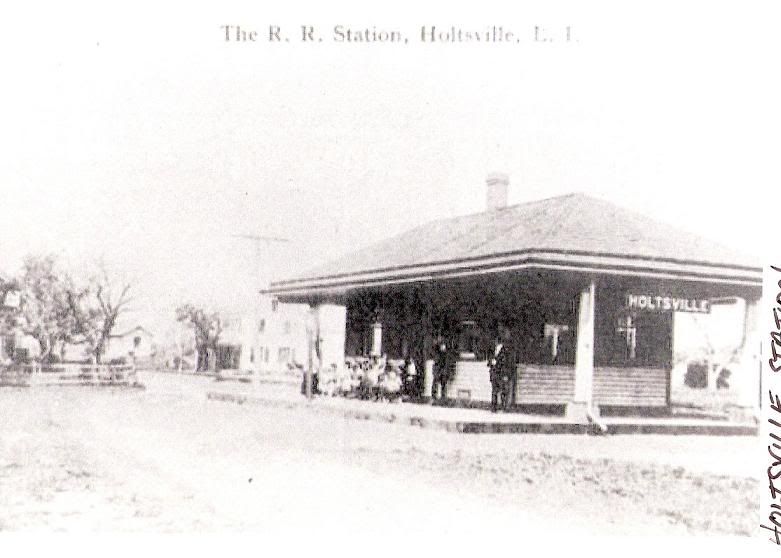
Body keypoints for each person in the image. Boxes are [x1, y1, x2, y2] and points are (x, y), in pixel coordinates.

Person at [488, 327, 515, 413]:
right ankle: (493, 407)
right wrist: (491, 362)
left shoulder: (506, 350)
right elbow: (490, 359)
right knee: (494, 390)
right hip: (494, 372)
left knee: (503, 390)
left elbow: (507, 362)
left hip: (501, 373)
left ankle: (504, 407)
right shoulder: (493, 350)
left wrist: (506, 374)